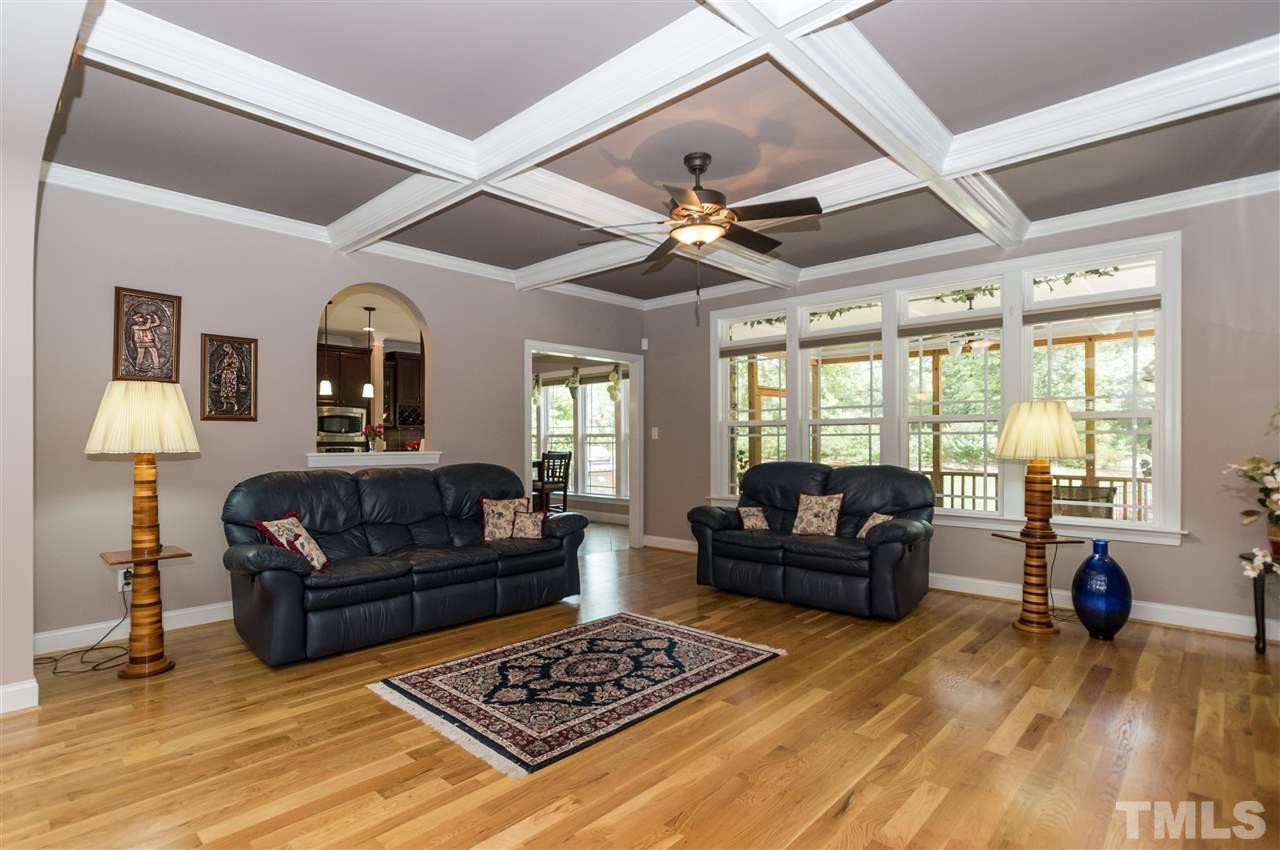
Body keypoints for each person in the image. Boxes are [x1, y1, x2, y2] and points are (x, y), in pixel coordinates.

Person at [216, 343, 242, 411]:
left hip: (231, 375)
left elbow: (237, 365)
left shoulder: (234, 356)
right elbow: (224, 365)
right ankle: (225, 406)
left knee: (230, 390)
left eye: (226, 349)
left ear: (229, 348)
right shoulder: (227, 357)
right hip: (225, 375)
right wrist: (222, 370)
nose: (226, 351)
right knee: (224, 390)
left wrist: (230, 367)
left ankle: (235, 405)